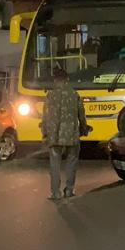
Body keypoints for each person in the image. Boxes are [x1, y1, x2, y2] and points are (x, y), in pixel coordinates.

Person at [40, 68, 89, 201]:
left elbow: (45, 116)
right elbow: (81, 115)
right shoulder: (74, 94)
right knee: (72, 161)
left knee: (54, 163)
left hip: (54, 134)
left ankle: (55, 192)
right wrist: (84, 129)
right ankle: (69, 189)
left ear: (55, 80)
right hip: (71, 134)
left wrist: (45, 133)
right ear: (67, 79)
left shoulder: (50, 95)